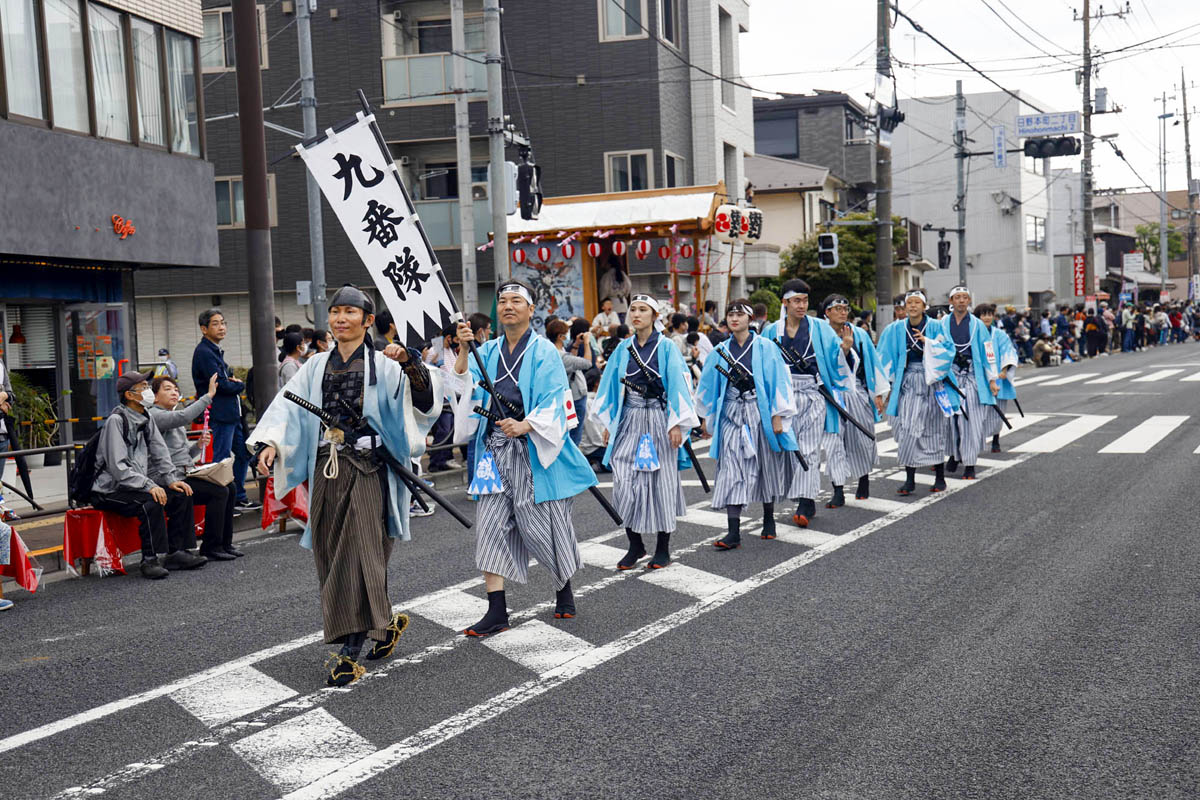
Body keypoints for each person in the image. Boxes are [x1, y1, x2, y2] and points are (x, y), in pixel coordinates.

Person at [250, 285, 441, 687]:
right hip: (327, 467)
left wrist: (410, 364)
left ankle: (349, 650)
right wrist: (268, 443)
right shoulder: (316, 365)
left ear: (367, 321)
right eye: (335, 312)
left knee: (359, 550)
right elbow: (286, 405)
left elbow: (423, 403)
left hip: (370, 469)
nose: (340, 319)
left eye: (349, 312)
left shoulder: (384, 365)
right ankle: (383, 622)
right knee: (330, 547)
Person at [451, 279, 597, 635]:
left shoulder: (544, 351)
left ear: (531, 310)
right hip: (495, 450)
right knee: (490, 526)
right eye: (502, 301)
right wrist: (463, 349)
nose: (508, 306)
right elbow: (461, 387)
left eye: (516, 301)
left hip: (531, 448)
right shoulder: (488, 351)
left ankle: (563, 587)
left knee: (542, 527)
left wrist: (527, 424)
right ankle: (496, 609)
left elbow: (555, 400)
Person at [593, 295, 698, 570]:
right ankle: (635, 543)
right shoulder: (623, 348)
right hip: (629, 417)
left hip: (658, 418)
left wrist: (675, 423)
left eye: (643, 310)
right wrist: (609, 423)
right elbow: (611, 386)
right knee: (624, 482)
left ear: (655, 316)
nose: (636, 314)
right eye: (633, 310)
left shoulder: (666, 347)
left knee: (661, 483)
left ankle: (663, 548)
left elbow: (678, 384)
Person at [695, 298, 797, 549]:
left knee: (764, 464)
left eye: (740, 314)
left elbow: (778, 380)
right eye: (730, 314)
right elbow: (707, 386)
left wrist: (777, 415)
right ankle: (733, 531)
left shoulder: (765, 347)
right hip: (730, 412)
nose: (734, 318)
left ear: (750, 319)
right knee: (730, 469)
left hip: (758, 409)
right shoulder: (720, 351)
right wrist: (705, 418)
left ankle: (769, 517)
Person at [91, 371, 207, 579]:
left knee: (181, 493)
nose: (148, 391)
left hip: (134, 484)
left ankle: (177, 552)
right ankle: (150, 559)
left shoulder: (146, 417)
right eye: (143, 387)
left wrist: (171, 480)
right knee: (150, 502)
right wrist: (148, 485)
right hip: (110, 489)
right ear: (129, 395)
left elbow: (160, 451)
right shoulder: (116, 421)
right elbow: (118, 468)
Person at [762, 279, 842, 527]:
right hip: (782, 396)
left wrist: (846, 350)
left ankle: (805, 502)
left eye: (805, 301)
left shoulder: (821, 328)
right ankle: (801, 496)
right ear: (785, 303)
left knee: (808, 448)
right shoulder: (771, 331)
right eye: (796, 301)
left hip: (812, 393)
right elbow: (763, 367)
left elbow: (836, 361)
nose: (801, 305)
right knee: (787, 449)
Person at [149, 374, 241, 561]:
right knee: (218, 491)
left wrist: (197, 446)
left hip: (182, 473)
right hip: (165, 478)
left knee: (229, 486)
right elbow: (184, 416)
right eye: (167, 389)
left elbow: (180, 456)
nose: (174, 392)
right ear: (155, 397)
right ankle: (211, 546)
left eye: (175, 389)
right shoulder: (155, 414)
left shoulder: (170, 417)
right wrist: (209, 395)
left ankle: (224, 543)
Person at [877, 291, 950, 494]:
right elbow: (884, 356)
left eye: (917, 302)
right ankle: (910, 479)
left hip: (932, 381)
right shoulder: (895, 329)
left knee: (934, 429)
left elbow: (948, 350)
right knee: (907, 429)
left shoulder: (936, 327)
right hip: (907, 380)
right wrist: (887, 388)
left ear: (924, 306)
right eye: (909, 302)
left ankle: (940, 477)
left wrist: (929, 343)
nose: (913, 306)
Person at [820, 294, 889, 504]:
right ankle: (838, 488)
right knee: (833, 442)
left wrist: (877, 392)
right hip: (830, 394)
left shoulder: (859, 334)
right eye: (837, 308)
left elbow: (872, 362)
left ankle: (864, 477)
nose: (842, 312)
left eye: (845, 308)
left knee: (860, 438)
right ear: (827, 313)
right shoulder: (820, 334)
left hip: (856, 391)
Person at [927, 286, 999, 481]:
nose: (960, 301)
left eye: (964, 298)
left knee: (971, 421)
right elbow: (934, 348)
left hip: (972, 376)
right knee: (949, 421)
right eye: (957, 297)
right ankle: (953, 454)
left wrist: (992, 379)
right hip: (950, 377)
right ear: (951, 301)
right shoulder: (942, 324)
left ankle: (969, 463)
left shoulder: (977, 325)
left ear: (969, 301)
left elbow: (988, 353)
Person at [191, 309, 257, 513]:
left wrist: (232, 382)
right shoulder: (204, 352)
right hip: (219, 413)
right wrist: (238, 385)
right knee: (221, 458)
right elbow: (221, 385)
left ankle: (238, 497)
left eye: (223, 322)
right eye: (215, 324)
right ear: (204, 329)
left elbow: (226, 381)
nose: (221, 327)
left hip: (232, 413)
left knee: (243, 453)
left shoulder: (214, 350)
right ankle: (221, 501)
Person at [976, 304, 1018, 453]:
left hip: (998, 376)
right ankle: (977, 441)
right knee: (979, 412)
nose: (987, 317)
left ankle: (995, 439)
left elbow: (1008, 351)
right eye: (983, 314)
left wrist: (1004, 369)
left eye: (989, 314)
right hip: (980, 377)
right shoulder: (974, 334)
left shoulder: (1000, 334)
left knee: (998, 410)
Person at [546, 319, 594, 447]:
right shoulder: (562, 356)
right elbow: (587, 363)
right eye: (566, 334)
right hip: (576, 398)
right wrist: (587, 344)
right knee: (575, 435)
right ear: (560, 337)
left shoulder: (551, 352)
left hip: (570, 397)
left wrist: (576, 344)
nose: (568, 336)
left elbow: (571, 365)